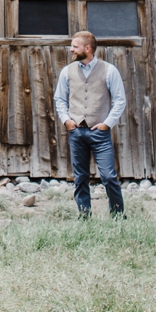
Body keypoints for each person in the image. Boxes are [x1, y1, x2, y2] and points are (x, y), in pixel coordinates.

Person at [53, 31, 126, 218]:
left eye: (74, 47)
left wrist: (106, 124)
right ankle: (84, 216)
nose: (71, 50)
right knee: (80, 177)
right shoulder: (67, 72)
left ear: (87, 48)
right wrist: (67, 121)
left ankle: (118, 216)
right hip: (76, 133)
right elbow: (59, 99)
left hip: (99, 134)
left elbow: (120, 101)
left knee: (109, 177)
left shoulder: (109, 70)